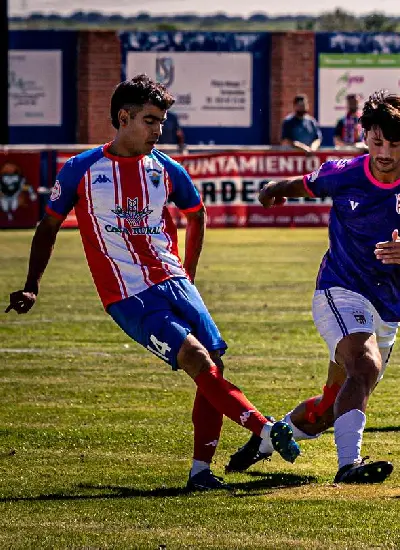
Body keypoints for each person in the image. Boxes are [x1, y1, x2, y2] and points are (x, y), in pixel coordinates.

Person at [4, 75, 301, 491]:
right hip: (127, 294)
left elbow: (195, 214)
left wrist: (188, 273)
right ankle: (264, 428)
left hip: (174, 281)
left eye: (161, 121)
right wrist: (32, 283)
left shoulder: (165, 168)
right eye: (150, 120)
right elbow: (48, 226)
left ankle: (201, 472)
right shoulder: (81, 169)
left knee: (213, 365)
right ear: (123, 118)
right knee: (197, 359)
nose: (158, 130)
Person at [226, 90, 400, 483]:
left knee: (331, 406)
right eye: (376, 141)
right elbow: (305, 184)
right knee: (365, 364)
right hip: (339, 290)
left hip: (389, 306)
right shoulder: (346, 172)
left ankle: (264, 440)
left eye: (393, 144)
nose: (384, 152)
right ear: (366, 137)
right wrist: (275, 188)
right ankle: (349, 466)